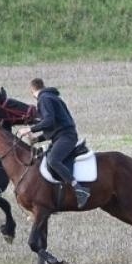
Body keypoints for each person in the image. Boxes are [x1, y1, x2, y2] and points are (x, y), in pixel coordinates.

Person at [28, 77, 89, 207]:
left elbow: (48, 121)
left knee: (53, 160)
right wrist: (37, 139)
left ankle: (79, 188)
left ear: (32, 91)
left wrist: (30, 129)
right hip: (64, 135)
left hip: (66, 137)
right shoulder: (52, 97)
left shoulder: (43, 99)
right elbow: (54, 126)